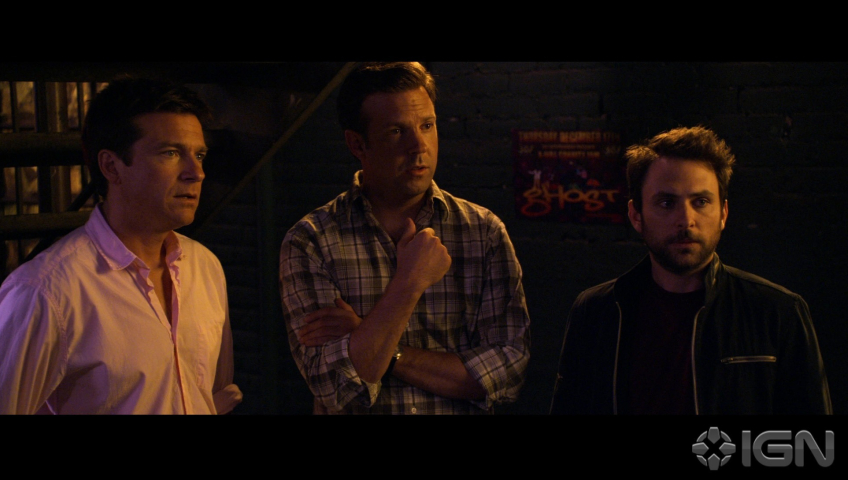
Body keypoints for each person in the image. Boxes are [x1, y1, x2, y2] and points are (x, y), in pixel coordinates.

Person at [280, 62, 530, 414]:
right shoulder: (311, 241)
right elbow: (337, 387)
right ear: (357, 144)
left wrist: (379, 344)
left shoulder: (483, 231)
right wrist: (409, 282)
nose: (419, 146)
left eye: (427, 125)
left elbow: (507, 373)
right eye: (397, 131)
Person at [0, 76, 242, 414]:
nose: (195, 172)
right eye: (170, 153)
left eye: (199, 155)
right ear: (111, 166)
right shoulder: (45, 292)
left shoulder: (204, 267)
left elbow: (213, 395)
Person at [549, 125, 831, 415]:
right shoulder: (596, 312)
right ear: (636, 215)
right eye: (666, 203)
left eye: (701, 202)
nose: (686, 220)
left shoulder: (778, 312)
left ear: (723, 213)